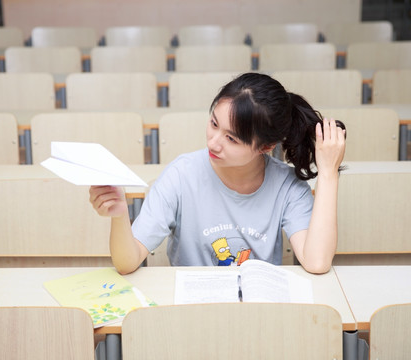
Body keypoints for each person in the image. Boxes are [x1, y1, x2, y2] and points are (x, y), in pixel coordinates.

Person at [89, 72, 346, 275]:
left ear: (265, 147)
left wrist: (328, 172)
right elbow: (127, 262)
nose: (213, 142)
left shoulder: (286, 187)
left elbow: (317, 261)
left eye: (231, 139)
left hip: (258, 316)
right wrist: (120, 215)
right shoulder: (181, 175)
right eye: (213, 124)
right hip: (192, 317)